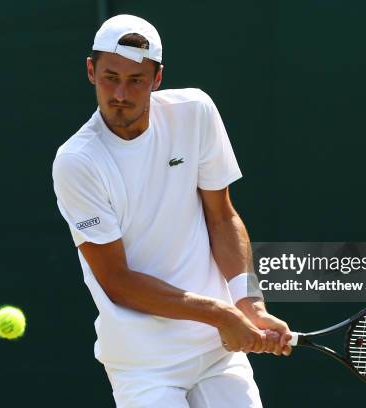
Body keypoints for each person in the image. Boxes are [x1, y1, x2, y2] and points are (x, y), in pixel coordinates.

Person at [52, 14, 292, 408]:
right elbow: (117, 280)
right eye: (110, 77)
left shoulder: (195, 112)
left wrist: (250, 304)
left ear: (157, 79)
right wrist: (220, 314)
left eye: (136, 80)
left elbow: (222, 217)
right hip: (144, 365)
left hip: (218, 352)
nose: (120, 94)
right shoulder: (77, 162)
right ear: (91, 71)